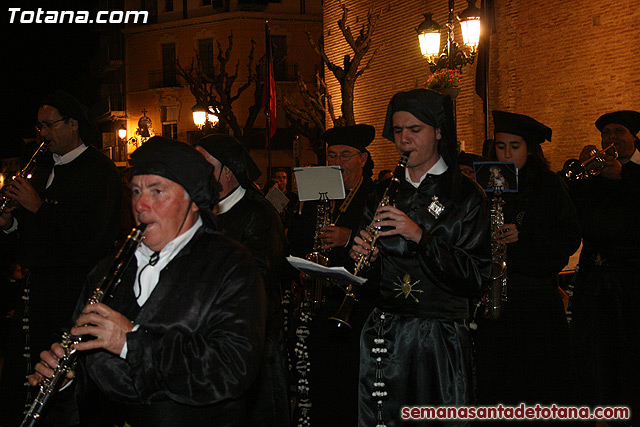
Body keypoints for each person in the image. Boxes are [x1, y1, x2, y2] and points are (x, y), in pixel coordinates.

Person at [29, 136, 266, 426]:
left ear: (193, 200)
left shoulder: (229, 264)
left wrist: (131, 342)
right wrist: (65, 381)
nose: (140, 204)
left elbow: (232, 369)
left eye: (157, 191)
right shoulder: (109, 267)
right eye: (136, 190)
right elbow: (89, 366)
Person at [351, 89, 491, 427]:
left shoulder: (466, 196)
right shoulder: (382, 193)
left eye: (415, 130)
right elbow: (370, 282)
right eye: (398, 131)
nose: (404, 140)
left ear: (439, 131)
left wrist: (420, 237)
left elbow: (475, 277)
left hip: (439, 338)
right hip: (385, 333)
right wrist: (363, 261)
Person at [0, 90, 123, 425]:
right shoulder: (40, 169)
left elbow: (88, 240)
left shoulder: (99, 171)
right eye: (39, 126)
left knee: (63, 387)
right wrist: (9, 223)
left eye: (49, 125)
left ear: (73, 125)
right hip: (35, 293)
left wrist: (38, 207)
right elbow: (31, 238)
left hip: (72, 294)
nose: (43, 134)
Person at [473, 111, 581, 417]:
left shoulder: (548, 184)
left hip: (534, 299)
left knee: (539, 379)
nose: (506, 154)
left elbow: (568, 235)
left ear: (530, 149)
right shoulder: (486, 183)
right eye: (501, 146)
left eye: (515, 147)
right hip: (495, 299)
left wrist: (525, 235)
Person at [195, 134, 289, 426]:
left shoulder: (259, 213)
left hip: (253, 343)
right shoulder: (199, 211)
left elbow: (259, 277)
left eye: (205, 165)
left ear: (229, 171)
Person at [287, 124, 377, 426]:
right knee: (319, 382)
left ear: (362, 159)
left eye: (346, 155)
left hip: (357, 307)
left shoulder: (374, 196)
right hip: (318, 303)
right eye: (333, 155)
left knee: (351, 383)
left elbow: (384, 246)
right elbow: (297, 240)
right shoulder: (317, 195)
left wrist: (348, 237)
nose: (338, 162)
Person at [569, 110, 640, 425]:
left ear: (635, 136)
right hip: (594, 278)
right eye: (605, 133)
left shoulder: (635, 172)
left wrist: (622, 178)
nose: (610, 139)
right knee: (593, 347)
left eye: (618, 132)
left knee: (629, 349)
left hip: (631, 279)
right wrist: (580, 172)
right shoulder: (593, 173)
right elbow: (571, 208)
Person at [269, 168, 299, 233]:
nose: (281, 180)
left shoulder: (293, 196)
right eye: (278, 177)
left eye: (284, 177)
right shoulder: (269, 195)